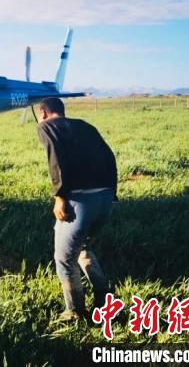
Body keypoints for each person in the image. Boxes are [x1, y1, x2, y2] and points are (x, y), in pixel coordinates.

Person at [36, 97, 118, 322]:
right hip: (105, 198)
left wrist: (59, 196)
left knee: (64, 259)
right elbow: (109, 156)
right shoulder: (84, 125)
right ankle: (104, 298)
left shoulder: (46, 126)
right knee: (82, 248)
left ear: (43, 113)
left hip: (80, 203)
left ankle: (75, 312)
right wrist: (111, 192)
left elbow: (56, 160)